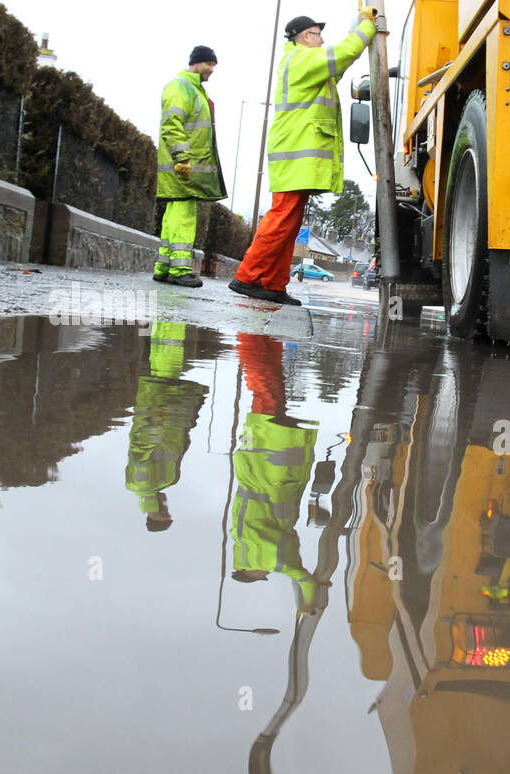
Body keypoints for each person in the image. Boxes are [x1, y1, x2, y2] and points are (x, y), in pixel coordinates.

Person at [229, 10, 378, 305]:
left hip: (295, 155)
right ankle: (247, 277)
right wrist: (368, 28)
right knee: (282, 218)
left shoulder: (303, 62)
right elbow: (345, 51)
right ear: (304, 37)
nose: (322, 40)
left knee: (289, 222)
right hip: (295, 155)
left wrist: (356, 27)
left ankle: (272, 284)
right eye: (317, 34)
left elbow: (340, 61)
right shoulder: (301, 59)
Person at [230, 334, 320, 613]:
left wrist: (309, 605)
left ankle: (253, 335)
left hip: (274, 463)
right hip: (259, 457)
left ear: (249, 570)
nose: (267, 576)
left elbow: (302, 576)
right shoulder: (241, 540)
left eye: (260, 577)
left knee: (265, 386)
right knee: (268, 390)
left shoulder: (262, 556)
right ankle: (260, 335)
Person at [155, 46, 227, 288]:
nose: (212, 70)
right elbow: (172, 124)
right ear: (197, 63)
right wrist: (182, 158)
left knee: (173, 216)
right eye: (210, 64)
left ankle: (164, 266)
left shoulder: (193, 90)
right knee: (183, 217)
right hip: (182, 167)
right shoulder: (181, 87)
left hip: (183, 166)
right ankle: (180, 269)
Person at [125, 321, 208, 530]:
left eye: (164, 512)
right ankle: (169, 320)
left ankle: (169, 319)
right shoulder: (159, 484)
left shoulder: (141, 484)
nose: (166, 507)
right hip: (168, 408)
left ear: (154, 514)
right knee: (167, 357)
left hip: (161, 404)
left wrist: (158, 416)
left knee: (166, 357)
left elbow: (143, 448)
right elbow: (175, 445)